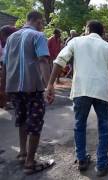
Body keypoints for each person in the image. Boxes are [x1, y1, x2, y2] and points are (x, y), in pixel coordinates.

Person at [46, 20, 108, 177]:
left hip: (81, 90)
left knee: (79, 125)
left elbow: (59, 61)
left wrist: (50, 84)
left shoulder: (76, 41)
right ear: (102, 31)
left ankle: (81, 160)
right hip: (102, 92)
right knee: (103, 127)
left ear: (87, 29)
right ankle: (101, 164)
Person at [0, 11, 54, 175]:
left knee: (22, 119)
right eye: (42, 23)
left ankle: (23, 153)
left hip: (14, 88)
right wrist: (49, 86)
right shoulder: (38, 36)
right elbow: (43, 61)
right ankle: (30, 163)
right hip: (33, 88)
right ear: (38, 21)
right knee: (35, 123)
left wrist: (3, 88)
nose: (42, 26)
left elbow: (5, 64)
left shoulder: (11, 38)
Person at [0, 25, 16, 109]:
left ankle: (4, 103)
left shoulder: (8, 43)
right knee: (4, 84)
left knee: (5, 84)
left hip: (4, 65)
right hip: (3, 65)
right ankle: (4, 103)